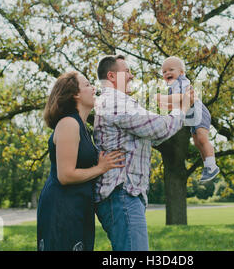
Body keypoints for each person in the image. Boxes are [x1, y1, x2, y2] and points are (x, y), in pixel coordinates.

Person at [93, 54, 194, 251]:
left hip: (125, 194)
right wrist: (182, 109)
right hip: (122, 193)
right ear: (112, 76)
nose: (131, 76)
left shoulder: (120, 101)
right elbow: (159, 128)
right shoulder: (114, 101)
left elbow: (153, 135)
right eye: (127, 71)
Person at [37, 71, 125, 251]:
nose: (94, 88)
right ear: (75, 94)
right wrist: (101, 168)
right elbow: (65, 175)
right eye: (87, 85)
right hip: (62, 206)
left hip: (78, 205)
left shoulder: (82, 126)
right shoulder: (69, 123)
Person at [156, 56, 220, 182]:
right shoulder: (171, 89)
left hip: (199, 112)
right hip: (192, 117)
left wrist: (162, 98)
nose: (167, 73)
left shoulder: (182, 82)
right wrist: (166, 105)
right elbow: (177, 104)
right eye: (164, 72)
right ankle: (207, 165)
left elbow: (182, 96)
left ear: (181, 73)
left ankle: (212, 166)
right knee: (197, 142)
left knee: (202, 138)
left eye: (171, 70)